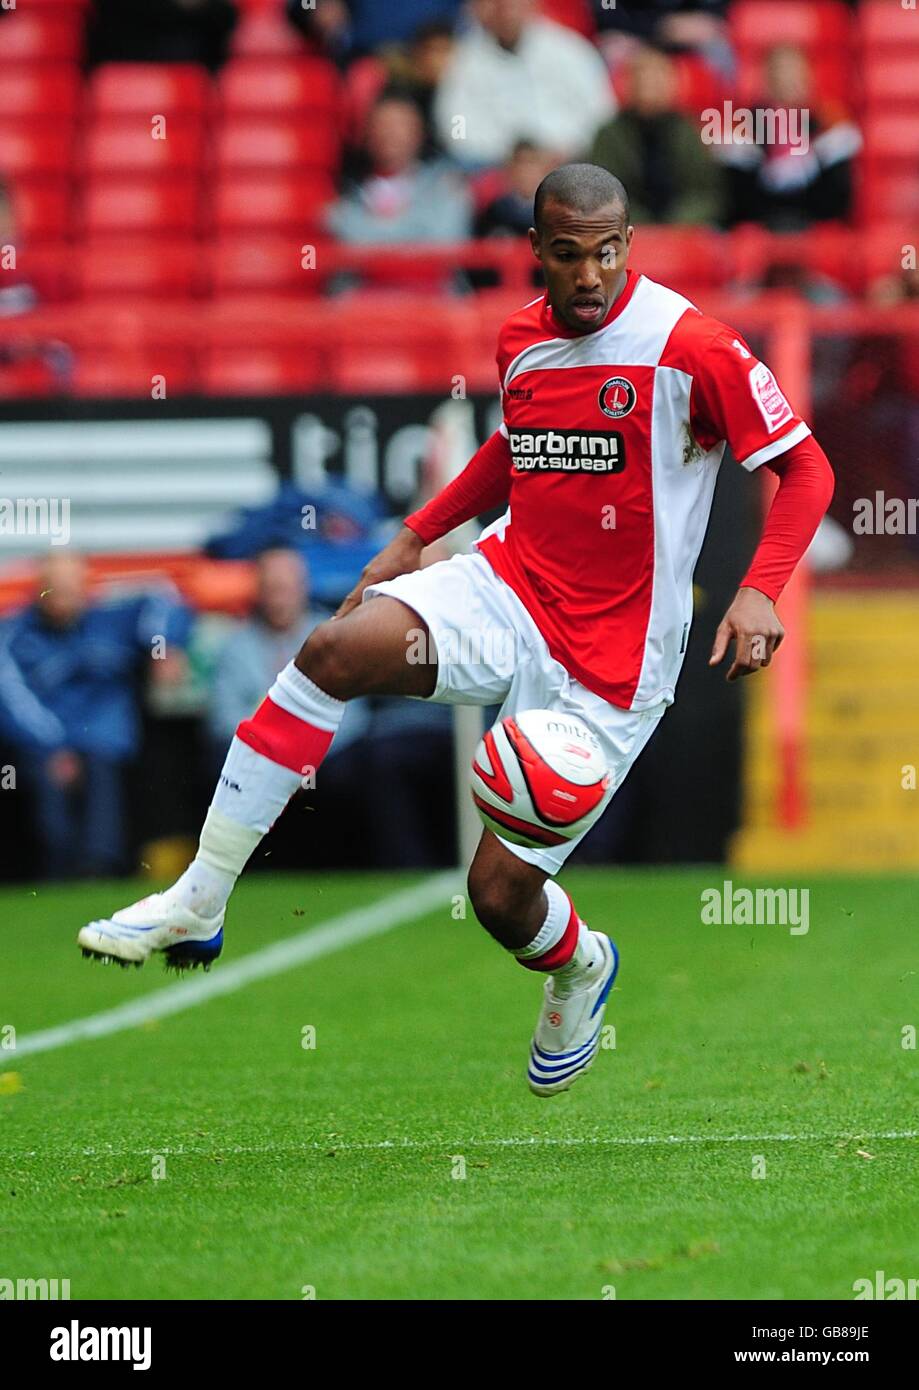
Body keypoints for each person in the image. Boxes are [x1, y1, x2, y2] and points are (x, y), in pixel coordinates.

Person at [77, 164, 834, 1098]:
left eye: (606, 252)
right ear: (536, 255)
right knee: (329, 651)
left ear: (627, 245)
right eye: (568, 255)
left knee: (496, 896)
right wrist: (414, 535)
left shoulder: (693, 347)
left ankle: (580, 966)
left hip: (612, 663)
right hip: (508, 588)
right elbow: (512, 449)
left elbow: (804, 469)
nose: (589, 273)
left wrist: (759, 591)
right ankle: (201, 896)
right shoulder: (522, 338)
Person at [0, 553, 190, 878]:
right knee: (51, 810)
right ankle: (58, 872)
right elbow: (12, 701)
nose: (62, 599)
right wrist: (54, 747)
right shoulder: (14, 636)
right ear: (39, 590)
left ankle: (100, 869)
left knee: (105, 760)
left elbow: (166, 595)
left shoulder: (110, 620)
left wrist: (165, 646)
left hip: (107, 743)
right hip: (43, 743)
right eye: (53, 590)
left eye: (70, 589)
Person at [434, 0, 615, 168]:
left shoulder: (571, 51)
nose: (507, 13)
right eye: (500, 5)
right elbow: (456, 127)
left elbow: (602, 115)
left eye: (514, 4)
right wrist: (507, 157)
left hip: (569, 165)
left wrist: (565, 149)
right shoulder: (464, 61)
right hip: (495, 171)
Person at [590, 45, 724, 225]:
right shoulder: (609, 135)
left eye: (657, 79)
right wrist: (641, 225)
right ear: (627, 84)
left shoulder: (688, 131)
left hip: (683, 232)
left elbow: (705, 193)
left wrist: (678, 224)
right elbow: (603, 194)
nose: (648, 87)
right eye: (641, 79)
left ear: (672, 83)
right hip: (627, 231)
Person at [327, 92, 472, 245]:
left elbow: (444, 244)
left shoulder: (446, 184)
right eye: (382, 124)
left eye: (400, 125)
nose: (391, 133)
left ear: (420, 132)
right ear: (367, 133)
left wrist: (362, 230)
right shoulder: (348, 195)